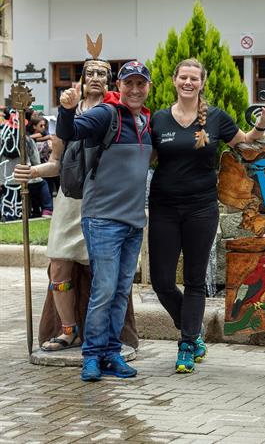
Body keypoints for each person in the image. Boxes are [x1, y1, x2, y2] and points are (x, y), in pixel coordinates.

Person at [149, 58, 265, 374]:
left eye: (194, 78)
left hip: (201, 208)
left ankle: (186, 344)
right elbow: (145, 156)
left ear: (202, 83)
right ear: (174, 80)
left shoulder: (216, 118)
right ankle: (192, 332)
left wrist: (263, 122)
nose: (188, 83)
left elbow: (247, 141)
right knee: (161, 281)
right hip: (164, 208)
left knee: (195, 280)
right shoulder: (158, 120)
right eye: (183, 77)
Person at [13, 61, 137, 352]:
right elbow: (57, 163)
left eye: (102, 74)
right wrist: (31, 172)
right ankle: (68, 329)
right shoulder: (66, 116)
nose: (95, 78)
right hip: (70, 201)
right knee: (58, 266)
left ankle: (103, 335)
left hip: (104, 201)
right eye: (90, 73)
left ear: (110, 81)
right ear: (81, 79)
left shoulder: (118, 113)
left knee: (102, 272)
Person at [57, 61, 152, 382]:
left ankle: (112, 352)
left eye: (141, 84)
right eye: (130, 84)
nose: (135, 89)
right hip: (102, 219)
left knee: (121, 291)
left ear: (149, 87)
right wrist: (67, 109)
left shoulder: (147, 120)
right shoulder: (106, 114)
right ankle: (92, 356)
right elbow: (69, 133)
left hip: (133, 223)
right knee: (104, 289)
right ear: (119, 86)